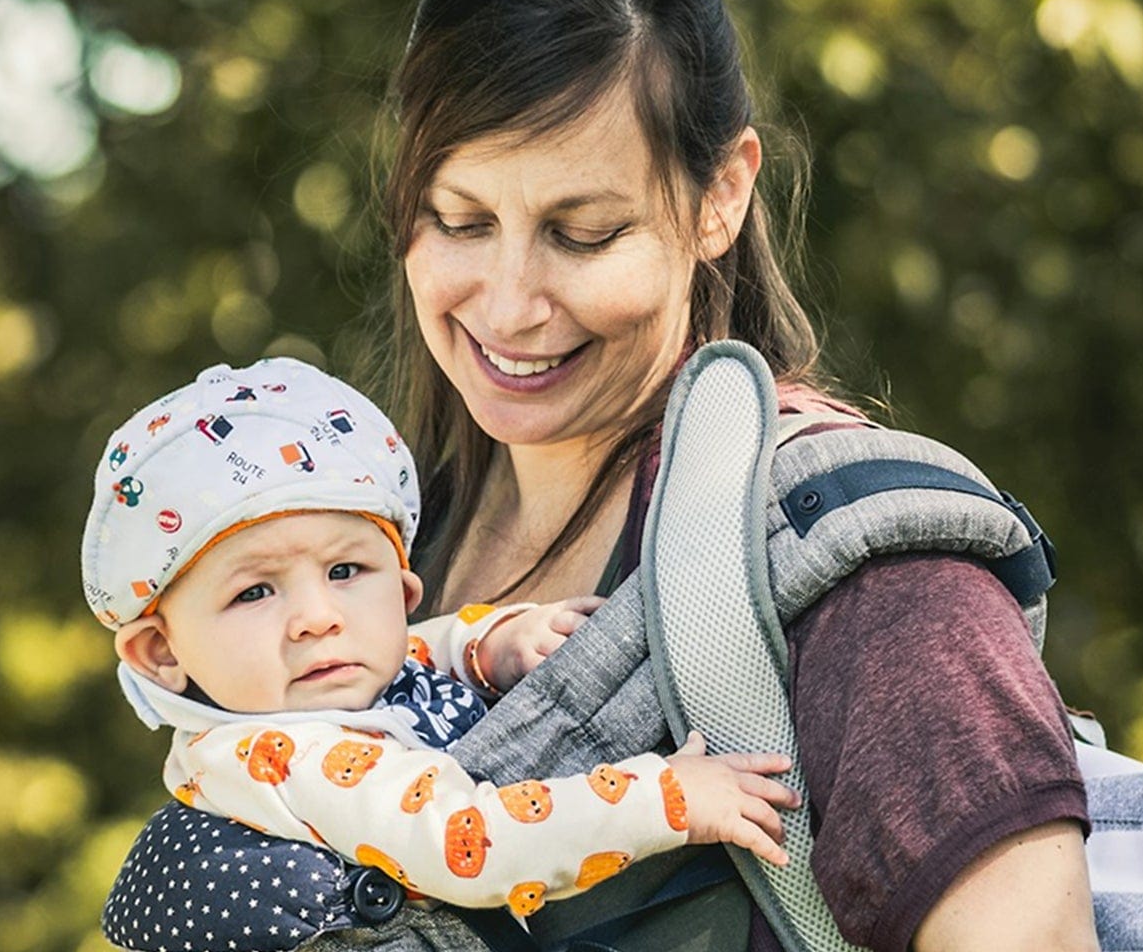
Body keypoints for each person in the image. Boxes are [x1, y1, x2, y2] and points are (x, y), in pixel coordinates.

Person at [98, 0, 1097, 949]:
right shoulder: (360, 555)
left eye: (583, 233)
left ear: (721, 196)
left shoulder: (860, 571)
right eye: (461, 220)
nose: (511, 302)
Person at [81, 356, 803, 939]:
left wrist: (483, 640)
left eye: (344, 571)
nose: (316, 617)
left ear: (402, 589)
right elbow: (473, 843)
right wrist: (665, 800)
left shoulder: (311, 684)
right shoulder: (286, 758)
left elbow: (406, 654)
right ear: (158, 653)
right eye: (254, 593)